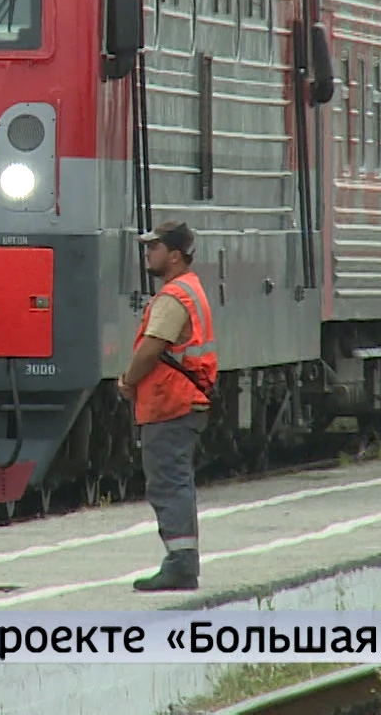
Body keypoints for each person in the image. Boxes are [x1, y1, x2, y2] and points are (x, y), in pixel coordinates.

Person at [118, 220, 218, 592]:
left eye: (154, 248)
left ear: (174, 256)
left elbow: (151, 348)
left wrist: (128, 381)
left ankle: (180, 566)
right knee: (175, 481)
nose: (148, 254)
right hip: (181, 401)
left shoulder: (175, 296)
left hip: (171, 402)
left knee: (169, 484)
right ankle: (181, 562)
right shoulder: (188, 289)